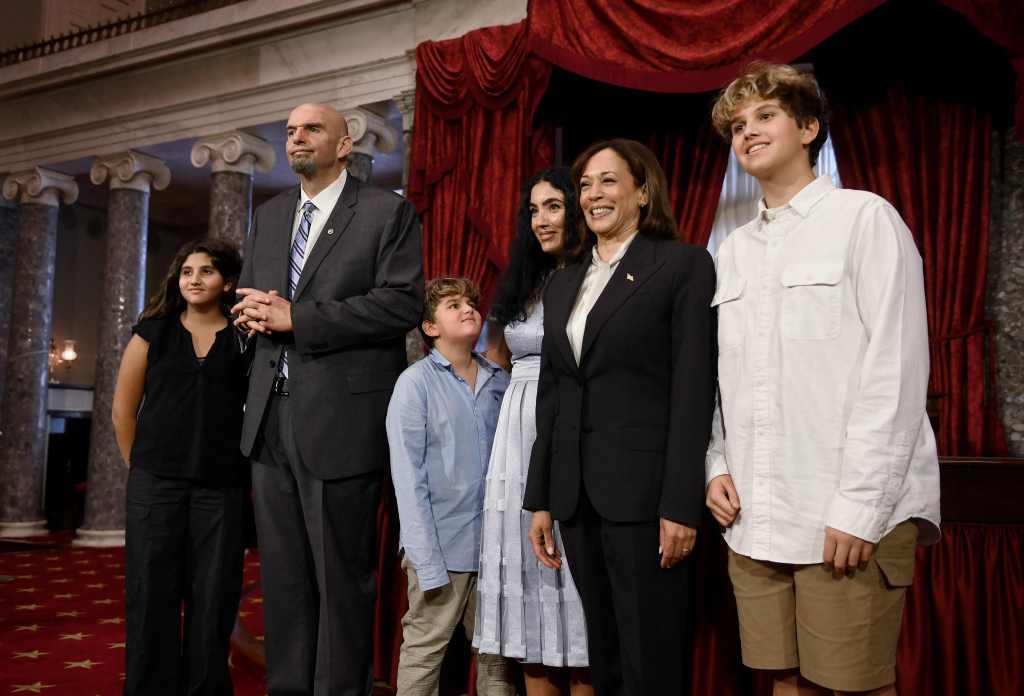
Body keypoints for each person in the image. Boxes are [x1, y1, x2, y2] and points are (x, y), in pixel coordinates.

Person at [705, 62, 941, 696]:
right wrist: (715, 463)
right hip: (754, 516)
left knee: (851, 687)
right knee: (782, 681)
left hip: (844, 512)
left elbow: (894, 372)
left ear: (809, 128)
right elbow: (723, 381)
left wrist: (862, 506)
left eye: (765, 116)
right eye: (737, 125)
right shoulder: (731, 251)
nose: (747, 131)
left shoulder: (866, 219)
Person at [232, 101, 423, 696]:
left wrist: (299, 319)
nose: (297, 139)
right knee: (284, 580)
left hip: (342, 420)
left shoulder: (385, 211)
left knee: (341, 580)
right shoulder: (268, 214)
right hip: (270, 419)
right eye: (289, 131)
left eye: (312, 129)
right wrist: (252, 317)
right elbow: (270, 303)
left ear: (345, 144)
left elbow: (401, 304)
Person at [523, 139, 717, 695]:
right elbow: (555, 393)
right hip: (577, 495)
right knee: (603, 655)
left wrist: (681, 503)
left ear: (642, 191)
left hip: (645, 498)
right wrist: (540, 496)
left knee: (650, 659)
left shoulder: (682, 264)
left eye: (608, 181)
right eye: (585, 184)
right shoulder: (564, 280)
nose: (593, 194)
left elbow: (692, 391)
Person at [474, 167, 593, 696]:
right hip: (514, 435)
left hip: (571, 422)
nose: (542, 220)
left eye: (553, 206)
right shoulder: (522, 280)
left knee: (574, 572)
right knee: (523, 575)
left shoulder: (597, 272)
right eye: (533, 210)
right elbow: (494, 361)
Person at [112, 238, 249, 696]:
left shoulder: (246, 336)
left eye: (206, 271)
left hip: (223, 487)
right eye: (187, 271)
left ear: (226, 281)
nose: (194, 279)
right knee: (152, 595)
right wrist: (143, 469)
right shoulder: (152, 331)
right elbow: (122, 412)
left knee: (214, 597)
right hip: (156, 485)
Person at [385, 277, 514, 696]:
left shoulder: (501, 382)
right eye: (453, 305)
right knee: (425, 653)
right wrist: (425, 557)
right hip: (441, 545)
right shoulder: (415, 384)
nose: (467, 309)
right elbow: (407, 477)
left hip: (495, 547)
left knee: (497, 661)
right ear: (430, 328)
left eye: (471, 303)